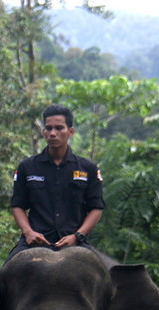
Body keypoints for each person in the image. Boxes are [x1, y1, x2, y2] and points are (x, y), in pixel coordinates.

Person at [8, 104, 104, 257]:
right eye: (49, 128)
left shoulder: (88, 168)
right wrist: (29, 233)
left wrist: (77, 236)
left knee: (112, 276)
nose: (53, 133)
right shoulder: (27, 167)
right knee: (4, 275)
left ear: (70, 132)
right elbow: (18, 205)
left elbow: (96, 208)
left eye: (59, 128)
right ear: (43, 132)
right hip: (34, 242)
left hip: (75, 242)